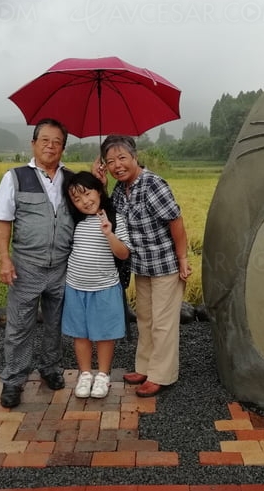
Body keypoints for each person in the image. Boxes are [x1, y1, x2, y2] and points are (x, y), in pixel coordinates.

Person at [93, 135, 192, 398]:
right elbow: (109, 215)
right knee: (146, 319)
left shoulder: (152, 184)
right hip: (142, 265)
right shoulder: (120, 188)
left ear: (135, 157)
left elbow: (176, 221)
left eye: (122, 158)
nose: (117, 165)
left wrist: (183, 260)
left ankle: (161, 375)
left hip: (165, 265)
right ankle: (145, 368)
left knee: (163, 323)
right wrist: (101, 184)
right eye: (110, 161)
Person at [0, 118, 74, 408]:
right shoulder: (15, 177)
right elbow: (3, 221)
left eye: (57, 142)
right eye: (45, 140)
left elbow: (90, 206)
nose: (51, 146)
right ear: (34, 143)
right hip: (26, 266)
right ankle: (13, 380)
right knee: (19, 327)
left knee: (55, 323)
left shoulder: (71, 179)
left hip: (62, 267)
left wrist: (98, 183)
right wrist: (5, 259)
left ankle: (51, 369)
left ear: (63, 147)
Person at [62, 171, 131, 398]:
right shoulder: (76, 221)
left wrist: (109, 233)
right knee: (80, 334)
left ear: (99, 191)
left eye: (88, 193)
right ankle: (85, 374)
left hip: (105, 287)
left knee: (104, 334)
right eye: (77, 199)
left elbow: (123, 254)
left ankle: (102, 375)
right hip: (75, 286)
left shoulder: (114, 218)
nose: (85, 202)